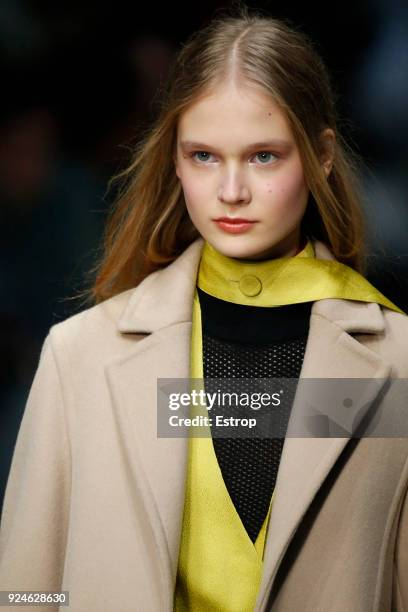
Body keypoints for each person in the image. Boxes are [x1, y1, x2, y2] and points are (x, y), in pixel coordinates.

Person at [1, 7, 407, 612]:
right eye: (204, 156)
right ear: (175, 159)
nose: (232, 191)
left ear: (322, 156)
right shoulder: (82, 355)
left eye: (264, 156)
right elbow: (26, 592)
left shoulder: (397, 365)